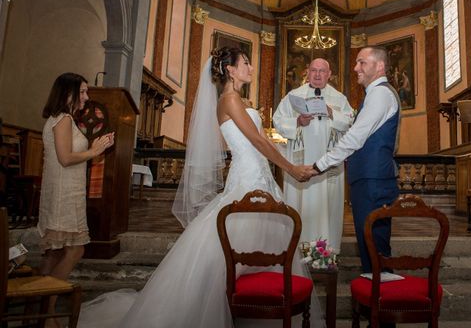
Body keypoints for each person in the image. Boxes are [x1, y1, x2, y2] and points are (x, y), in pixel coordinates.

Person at [78, 47, 319, 328]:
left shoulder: (236, 100)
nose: (251, 68)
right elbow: (258, 141)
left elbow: (259, 142)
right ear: (230, 69)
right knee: (235, 248)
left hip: (258, 176)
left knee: (259, 245)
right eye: (245, 63)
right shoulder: (229, 99)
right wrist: (291, 169)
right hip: (248, 179)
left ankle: (253, 311)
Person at [308, 46, 400, 274]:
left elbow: (355, 138)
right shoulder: (377, 94)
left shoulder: (380, 94)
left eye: (362, 63)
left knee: (373, 244)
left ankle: (378, 298)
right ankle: (375, 296)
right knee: (370, 243)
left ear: (379, 66)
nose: (356, 67)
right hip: (371, 177)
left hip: (373, 179)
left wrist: (318, 165)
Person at [38, 73, 114, 327]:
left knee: (53, 255)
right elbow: (66, 158)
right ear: (67, 93)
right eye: (82, 92)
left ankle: (40, 310)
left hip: (62, 191)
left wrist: (95, 148)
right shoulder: (64, 119)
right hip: (63, 195)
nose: (86, 97)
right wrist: (95, 150)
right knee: (75, 249)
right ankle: (47, 312)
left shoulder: (61, 119)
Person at [273, 58, 353, 251]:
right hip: (302, 162)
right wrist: (298, 122)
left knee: (328, 205)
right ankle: (297, 250)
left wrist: (331, 112)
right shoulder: (294, 96)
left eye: (322, 71)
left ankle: (327, 251)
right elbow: (277, 120)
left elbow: (351, 121)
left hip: (328, 164)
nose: (317, 75)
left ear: (329, 74)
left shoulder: (339, 98)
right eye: (314, 71)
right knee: (300, 204)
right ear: (307, 73)